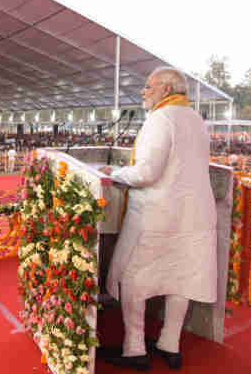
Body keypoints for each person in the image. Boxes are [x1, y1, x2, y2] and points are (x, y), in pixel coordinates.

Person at [98, 67, 217, 370]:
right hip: (193, 217)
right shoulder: (196, 119)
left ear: (165, 89)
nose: (143, 92)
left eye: (148, 86)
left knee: (132, 279)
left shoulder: (160, 120)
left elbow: (146, 173)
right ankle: (170, 344)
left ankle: (134, 349)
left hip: (157, 216)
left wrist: (116, 173)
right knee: (181, 279)